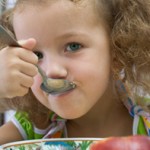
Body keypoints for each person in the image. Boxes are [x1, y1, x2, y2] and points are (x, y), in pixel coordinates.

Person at [0, 0, 149, 145]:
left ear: (116, 49)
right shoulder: (35, 125)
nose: (52, 70)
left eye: (73, 46)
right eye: (37, 55)